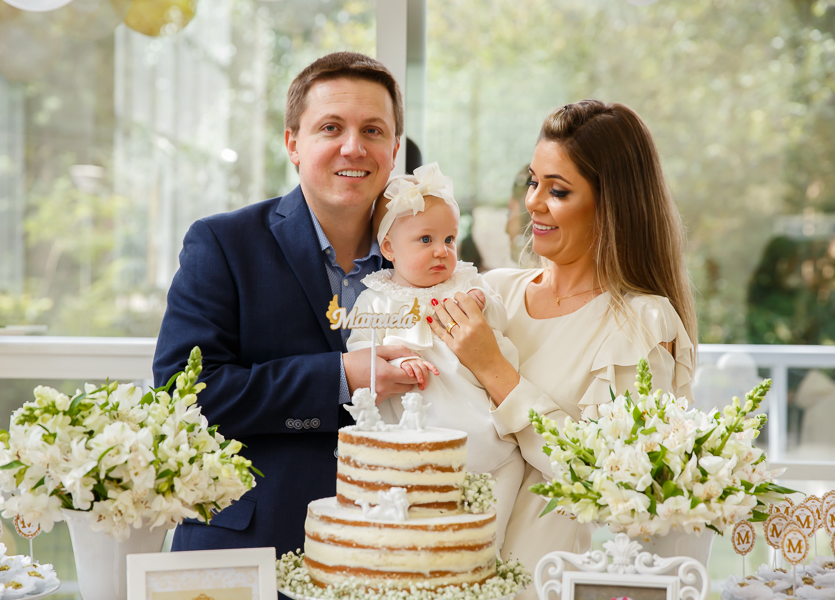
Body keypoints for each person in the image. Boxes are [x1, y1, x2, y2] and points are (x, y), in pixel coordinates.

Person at [152, 52, 421, 557]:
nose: (353, 147)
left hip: (391, 547)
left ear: (394, 148)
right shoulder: (223, 243)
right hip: (250, 545)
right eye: (330, 127)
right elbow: (183, 393)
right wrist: (340, 377)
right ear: (293, 144)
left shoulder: (428, 262)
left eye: (373, 131)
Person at [427, 100, 697, 599]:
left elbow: (620, 486)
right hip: (452, 577)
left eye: (559, 190)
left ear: (611, 203)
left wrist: (495, 369)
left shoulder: (641, 323)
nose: (533, 202)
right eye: (533, 182)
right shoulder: (495, 292)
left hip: (553, 586)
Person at [346, 162, 524, 548]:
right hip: (421, 419)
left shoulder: (466, 282)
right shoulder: (376, 298)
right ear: (389, 247)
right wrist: (395, 360)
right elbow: (361, 348)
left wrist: (482, 303)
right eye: (425, 240)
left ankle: (485, 555)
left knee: (492, 515)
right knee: (425, 525)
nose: (441, 251)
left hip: (481, 417)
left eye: (449, 239)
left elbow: (501, 320)